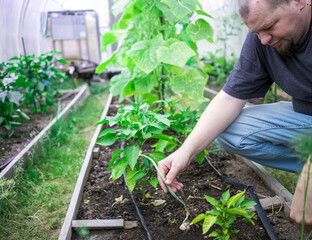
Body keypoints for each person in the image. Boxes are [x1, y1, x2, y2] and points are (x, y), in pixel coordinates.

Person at [157, 0, 312, 232]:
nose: (264, 40)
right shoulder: (262, 40)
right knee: (230, 129)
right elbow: (230, 98)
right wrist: (186, 151)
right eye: (256, 32)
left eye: (269, 26)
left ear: (301, 2)